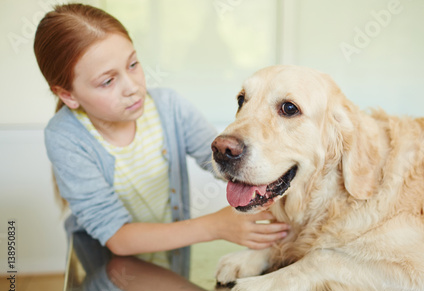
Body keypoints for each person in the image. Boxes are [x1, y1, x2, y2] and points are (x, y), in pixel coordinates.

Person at [33, 4, 289, 271]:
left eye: (133, 64)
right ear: (68, 95)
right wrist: (215, 226)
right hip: (106, 270)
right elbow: (117, 238)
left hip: (169, 256)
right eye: (108, 82)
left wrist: (272, 175)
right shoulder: (65, 137)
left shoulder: (170, 107)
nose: (133, 88)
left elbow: (218, 159)